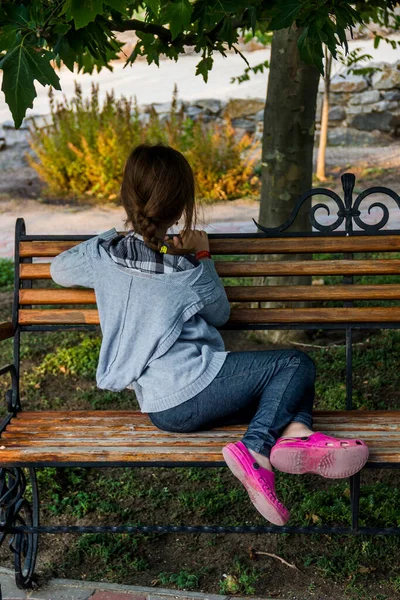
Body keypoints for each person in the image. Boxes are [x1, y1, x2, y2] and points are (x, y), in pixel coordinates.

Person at [50, 143, 369, 526]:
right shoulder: (185, 271)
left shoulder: (102, 256)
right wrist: (202, 255)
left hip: (160, 407)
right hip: (195, 388)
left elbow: (59, 269)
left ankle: (297, 434)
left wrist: (113, 236)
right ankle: (256, 451)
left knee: (281, 393)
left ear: (127, 195)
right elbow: (220, 314)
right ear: (182, 203)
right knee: (293, 363)